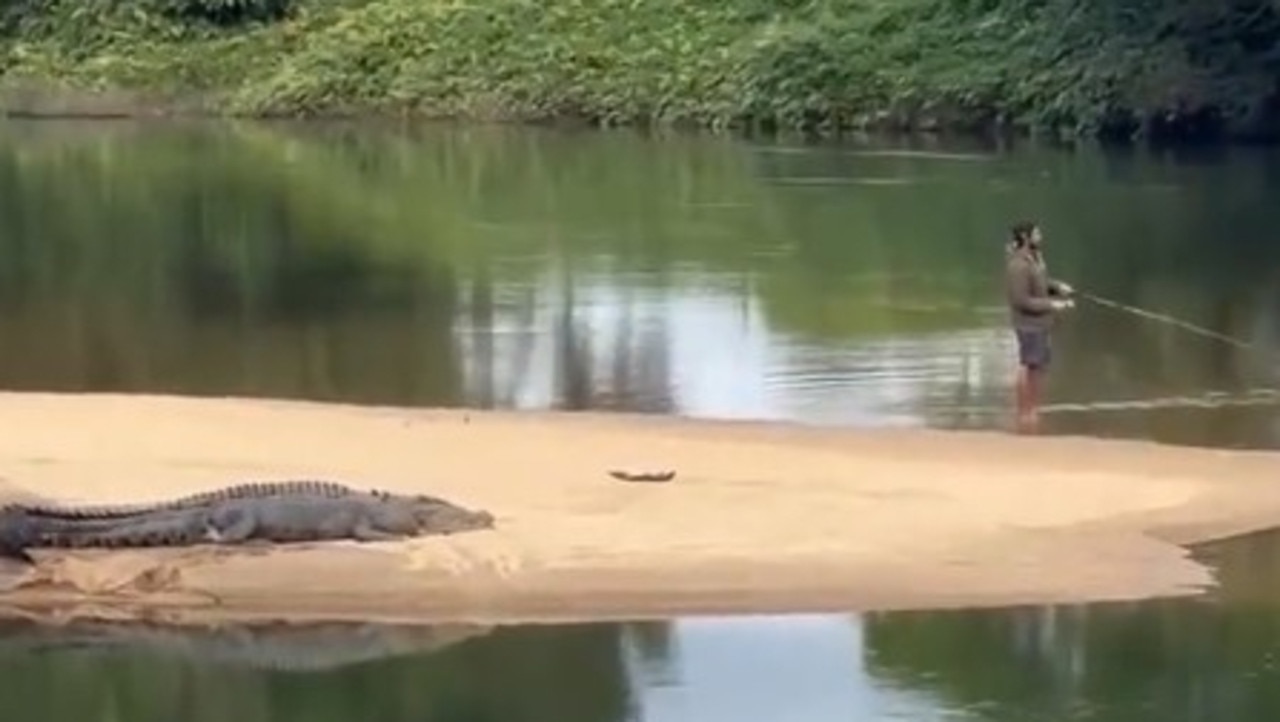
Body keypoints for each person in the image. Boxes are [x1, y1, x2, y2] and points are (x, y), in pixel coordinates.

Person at [1005, 220, 1074, 432]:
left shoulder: (1035, 260)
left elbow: (1040, 284)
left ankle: (1033, 411)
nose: (1040, 237)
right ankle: (1024, 414)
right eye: (1036, 234)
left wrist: (1057, 287)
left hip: (1041, 324)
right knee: (1028, 366)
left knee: (1038, 368)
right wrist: (1054, 305)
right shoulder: (1018, 265)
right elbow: (1021, 300)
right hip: (1028, 326)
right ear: (1026, 238)